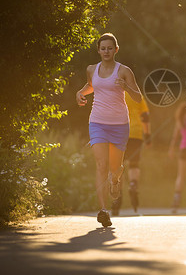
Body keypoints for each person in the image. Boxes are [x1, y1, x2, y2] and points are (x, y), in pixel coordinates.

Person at [76, 32, 142, 227]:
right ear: (98, 50)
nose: (106, 51)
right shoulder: (91, 69)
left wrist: (126, 87)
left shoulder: (124, 71)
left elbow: (138, 97)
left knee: (115, 169)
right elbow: (91, 86)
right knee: (101, 165)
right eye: (103, 48)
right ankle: (103, 210)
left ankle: (115, 181)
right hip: (97, 122)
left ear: (116, 50)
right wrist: (79, 93)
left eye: (109, 48)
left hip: (120, 124)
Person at [111, 91, 151, 216]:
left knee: (118, 166)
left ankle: (117, 197)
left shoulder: (114, 94)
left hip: (118, 133)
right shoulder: (138, 96)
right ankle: (133, 185)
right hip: (135, 134)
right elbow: (145, 116)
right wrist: (148, 135)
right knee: (134, 164)